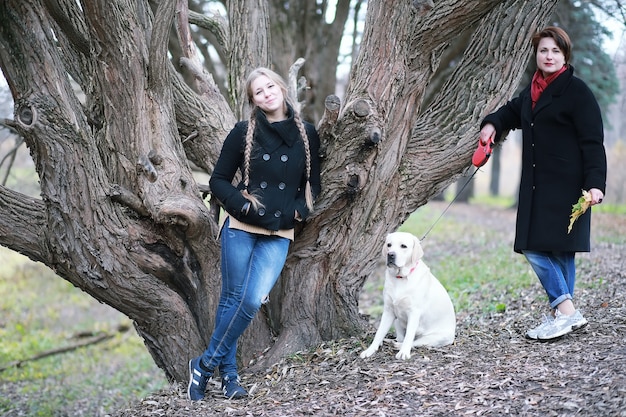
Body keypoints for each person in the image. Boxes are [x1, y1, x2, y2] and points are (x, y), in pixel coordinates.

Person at [187, 67, 321, 401]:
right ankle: (229, 377)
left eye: (270, 86)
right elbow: (218, 180)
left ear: (282, 88)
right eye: (258, 91)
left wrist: (299, 211)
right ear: (253, 101)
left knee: (250, 299)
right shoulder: (243, 132)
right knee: (232, 299)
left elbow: (313, 184)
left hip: (280, 231)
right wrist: (242, 206)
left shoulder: (307, 133)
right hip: (242, 226)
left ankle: (203, 366)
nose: (267, 93)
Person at [479, 26, 607, 341]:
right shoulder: (532, 90)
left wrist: (595, 184)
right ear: (536, 55)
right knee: (555, 251)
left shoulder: (577, 92)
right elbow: (510, 113)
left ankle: (565, 311)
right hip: (537, 185)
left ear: (565, 56)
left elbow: (593, 143)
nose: (548, 56)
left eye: (555, 51)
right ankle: (564, 316)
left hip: (570, 187)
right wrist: (491, 125)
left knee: (535, 246)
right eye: (543, 51)